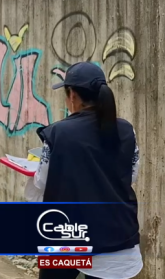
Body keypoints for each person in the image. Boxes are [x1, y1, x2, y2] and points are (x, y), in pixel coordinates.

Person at [25, 62, 140, 279]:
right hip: (118, 237)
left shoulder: (59, 133)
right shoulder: (127, 130)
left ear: (73, 95)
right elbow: (131, 174)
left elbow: (41, 182)